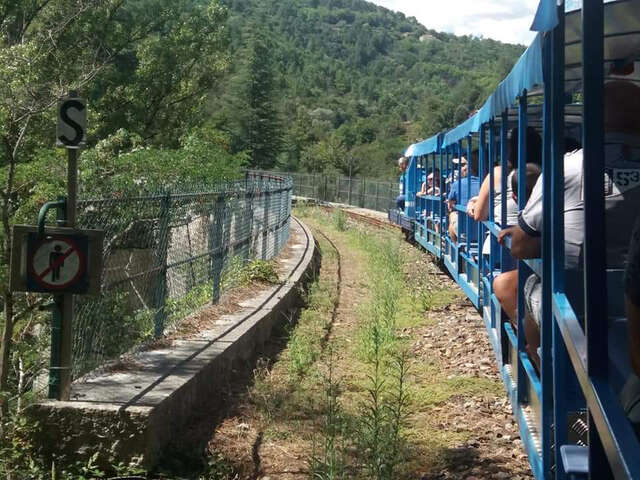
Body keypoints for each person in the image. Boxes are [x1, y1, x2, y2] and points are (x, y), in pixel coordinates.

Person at [495, 80, 640, 371]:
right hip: (633, 301)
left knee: (526, 284)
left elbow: (521, 247)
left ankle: (542, 367)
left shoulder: (566, 168)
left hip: (579, 304)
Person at [447, 155, 480, 243]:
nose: (459, 168)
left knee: (452, 214)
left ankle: (456, 246)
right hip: (483, 230)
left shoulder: (457, 184)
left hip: (465, 230)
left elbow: (450, 206)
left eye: (462, 165)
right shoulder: (486, 183)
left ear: (468, 168)